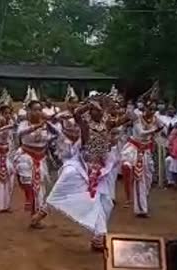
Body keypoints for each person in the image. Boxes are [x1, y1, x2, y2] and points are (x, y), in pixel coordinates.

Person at [46, 92, 126, 251]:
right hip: (83, 165)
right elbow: (76, 113)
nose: (97, 111)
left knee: (106, 203)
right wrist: (89, 104)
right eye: (94, 109)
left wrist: (128, 112)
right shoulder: (85, 124)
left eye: (100, 109)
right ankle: (46, 208)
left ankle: (98, 237)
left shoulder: (107, 123)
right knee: (67, 178)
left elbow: (124, 119)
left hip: (103, 168)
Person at [15, 89, 56, 229]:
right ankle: (30, 203)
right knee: (29, 185)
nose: (37, 112)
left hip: (41, 158)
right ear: (28, 111)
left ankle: (35, 216)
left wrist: (49, 122)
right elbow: (20, 134)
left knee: (40, 190)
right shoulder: (24, 124)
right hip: (26, 156)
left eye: (39, 110)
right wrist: (37, 126)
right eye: (34, 110)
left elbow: (57, 133)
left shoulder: (46, 125)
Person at [121, 98, 163, 217]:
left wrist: (158, 129)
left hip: (146, 151)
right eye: (150, 108)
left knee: (148, 178)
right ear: (145, 108)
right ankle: (141, 209)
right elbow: (141, 133)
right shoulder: (137, 118)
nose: (152, 111)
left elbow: (162, 127)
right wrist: (155, 129)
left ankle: (142, 201)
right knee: (140, 179)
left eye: (154, 109)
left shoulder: (155, 118)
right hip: (135, 149)